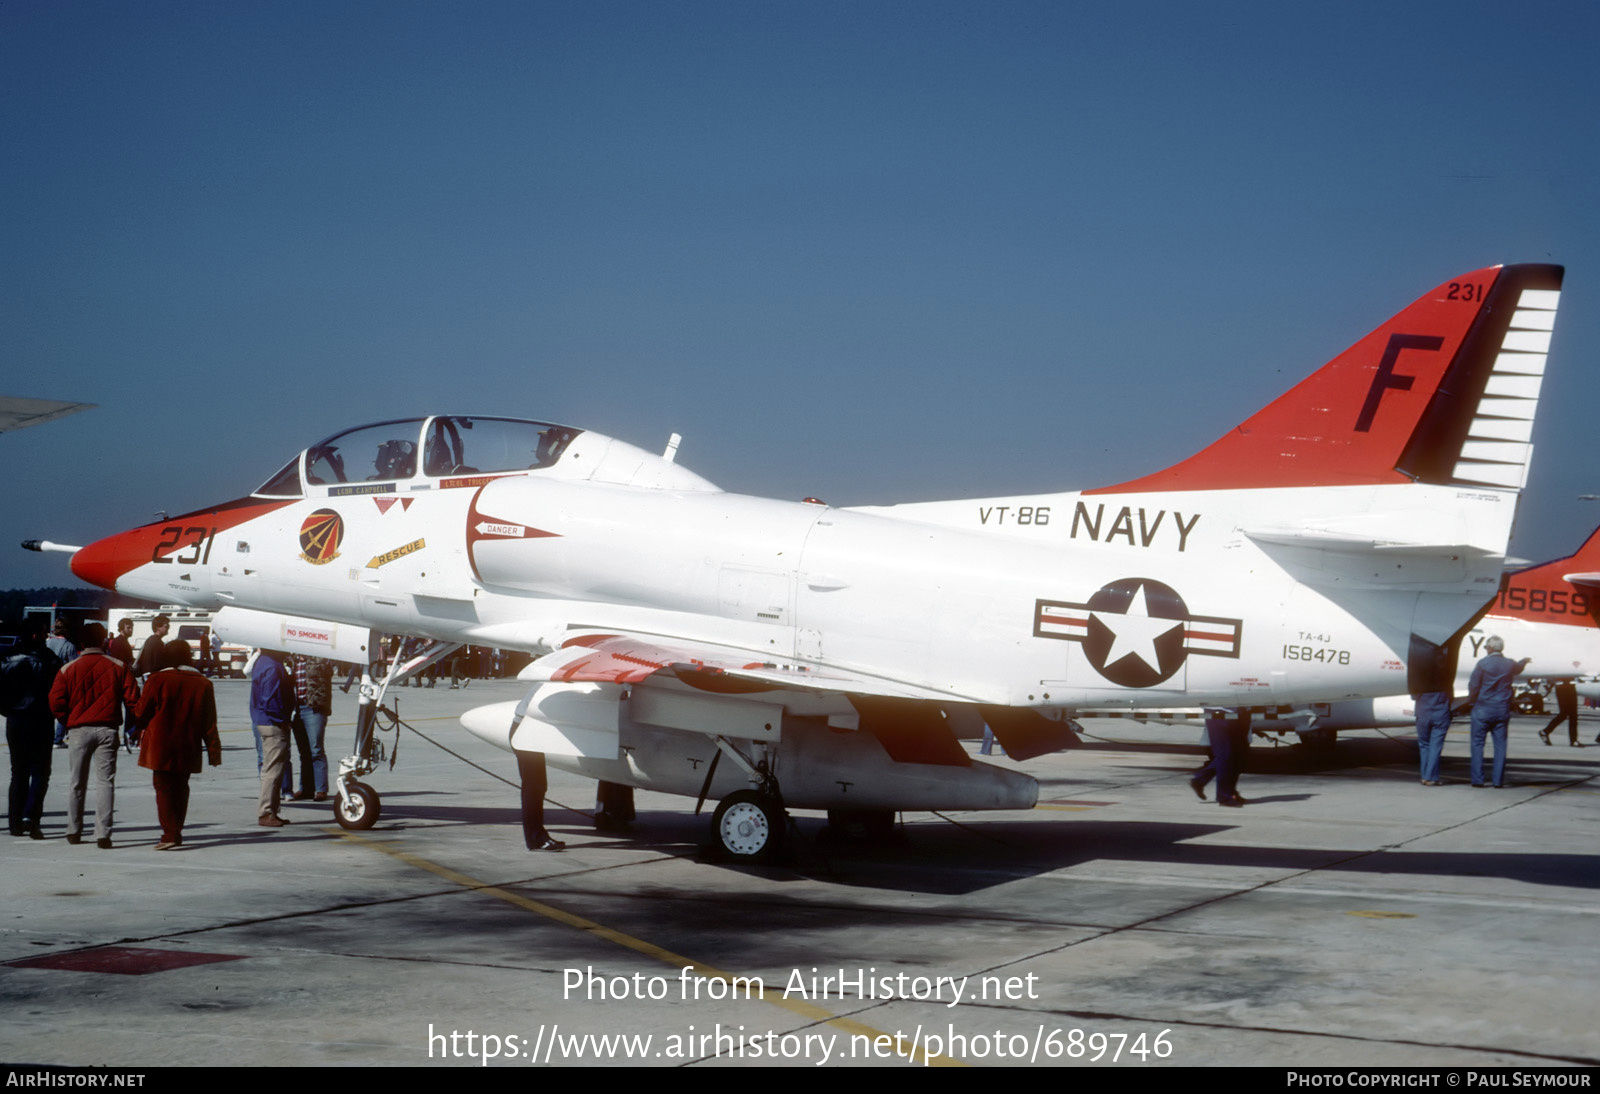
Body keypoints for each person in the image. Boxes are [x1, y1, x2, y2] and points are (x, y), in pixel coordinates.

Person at [49, 622, 138, 848]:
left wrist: (66, 720)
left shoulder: (68, 669)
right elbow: (133, 699)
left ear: (80, 642)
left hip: (79, 729)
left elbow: (55, 701)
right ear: (103, 641)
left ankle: (74, 830)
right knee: (105, 782)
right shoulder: (118, 666)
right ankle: (103, 834)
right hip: (107, 729)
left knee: (76, 782)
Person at [136, 641, 221, 849]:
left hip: (160, 744)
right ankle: (177, 830)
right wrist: (214, 752)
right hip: (188, 743)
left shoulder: (157, 679)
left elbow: (140, 713)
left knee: (163, 788)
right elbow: (210, 722)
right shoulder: (203, 683)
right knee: (182, 787)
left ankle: (169, 834)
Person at [1, 618, 62, 839]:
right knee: (40, 772)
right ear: (36, 635)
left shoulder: (7, 658)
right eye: (44, 633)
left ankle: (15, 823)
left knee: (18, 772)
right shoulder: (50, 659)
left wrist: (8, 709)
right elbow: (58, 691)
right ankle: (32, 818)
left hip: (16, 719)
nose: (47, 637)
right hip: (41, 719)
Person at [1464, 636, 1530, 788]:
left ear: (1490, 648)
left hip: (1482, 708)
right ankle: (1498, 780)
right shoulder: (1509, 664)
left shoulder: (1482, 664)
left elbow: (1473, 685)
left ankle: (1478, 780)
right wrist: (1523, 661)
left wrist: (1472, 702)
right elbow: (1518, 668)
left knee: (1477, 744)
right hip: (1502, 709)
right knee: (1500, 746)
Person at [250, 649, 293, 828]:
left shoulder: (262, 661)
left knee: (272, 768)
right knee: (273, 771)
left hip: (263, 720)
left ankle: (272, 810)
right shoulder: (273, 667)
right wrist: (281, 720)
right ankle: (266, 811)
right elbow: (271, 699)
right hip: (272, 723)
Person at [289, 654, 333, 801]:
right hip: (296, 708)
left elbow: (329, 670)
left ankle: (321, 789)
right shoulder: (291, 661)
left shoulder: (320, 659)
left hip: (314, 708)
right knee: (304, 752)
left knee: (316, 749)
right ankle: (306, 788)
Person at [1189, 707, 1252, 807]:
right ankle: (1224, 797)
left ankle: (1201, 780)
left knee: (1239, 753)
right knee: (1226, 754)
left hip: (1242, 710)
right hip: (1220, 711)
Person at [517, 750, 563, 851]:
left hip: (533, 741)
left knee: (538, 786)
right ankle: (536, 840)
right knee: (533, 786)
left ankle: (537, 837)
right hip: (528, 741)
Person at [46, 618, 77, 748]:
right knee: (63, 710)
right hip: (62, 681)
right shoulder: (69, 646)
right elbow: (74, 666)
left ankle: (47, 737)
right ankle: (58, 739)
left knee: (48, 711)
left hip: (46, 680)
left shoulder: (47, 643)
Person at [1538, 680, 1581, 748]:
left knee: (1573, 715)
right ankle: (1545, 731)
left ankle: (1573, 740)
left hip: (1571, 686)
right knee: (1564, 713)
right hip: (1561, 687)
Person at [135, 614, 171, 680]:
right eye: (166, 626)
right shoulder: (157, 642)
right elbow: (158, 662)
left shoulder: (151, 639)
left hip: (147, 675)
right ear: (158, 627)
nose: (168, 628)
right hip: (152, 676)